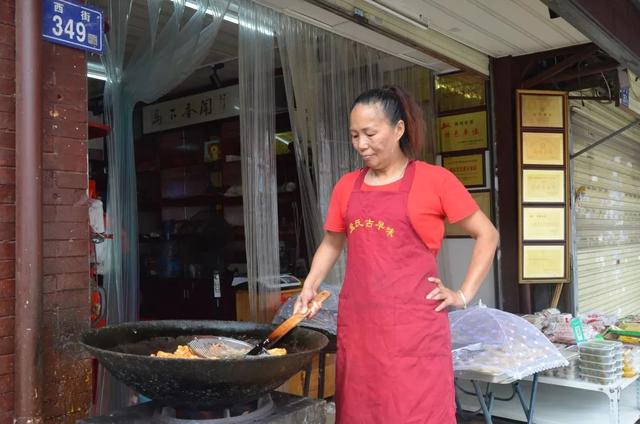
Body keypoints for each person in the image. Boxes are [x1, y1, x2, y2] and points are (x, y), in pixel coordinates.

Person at [293, 86, 499, 423]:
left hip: (414, 330)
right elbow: (332, 242)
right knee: (362, 412)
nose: (361, 144)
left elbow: (487, 234)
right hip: (360, 328)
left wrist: (463, 294)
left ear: (399, 129)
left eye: (370, 133)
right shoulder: (347, 186)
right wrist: (310, 285)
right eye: (355, 135)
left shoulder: (436, 181)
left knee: (415, 412)